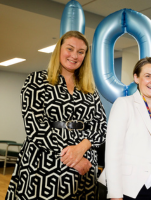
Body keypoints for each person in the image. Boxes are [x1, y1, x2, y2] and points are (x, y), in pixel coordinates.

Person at [6, 31, 107, 200]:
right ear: (59, 50)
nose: (75, 55)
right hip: (45, 163)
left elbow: (101, 125)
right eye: (70, 49)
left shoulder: (89, 88)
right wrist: (74, 159)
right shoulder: (36, 81)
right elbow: (35, 127)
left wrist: (81, 149)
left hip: (85, 166)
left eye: (81, 52)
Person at [98, 57, 151, 200]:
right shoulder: (123, 104)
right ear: (136, 78)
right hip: (127, 187)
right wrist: (115, 194)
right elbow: (113, 153)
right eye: (147, 76)